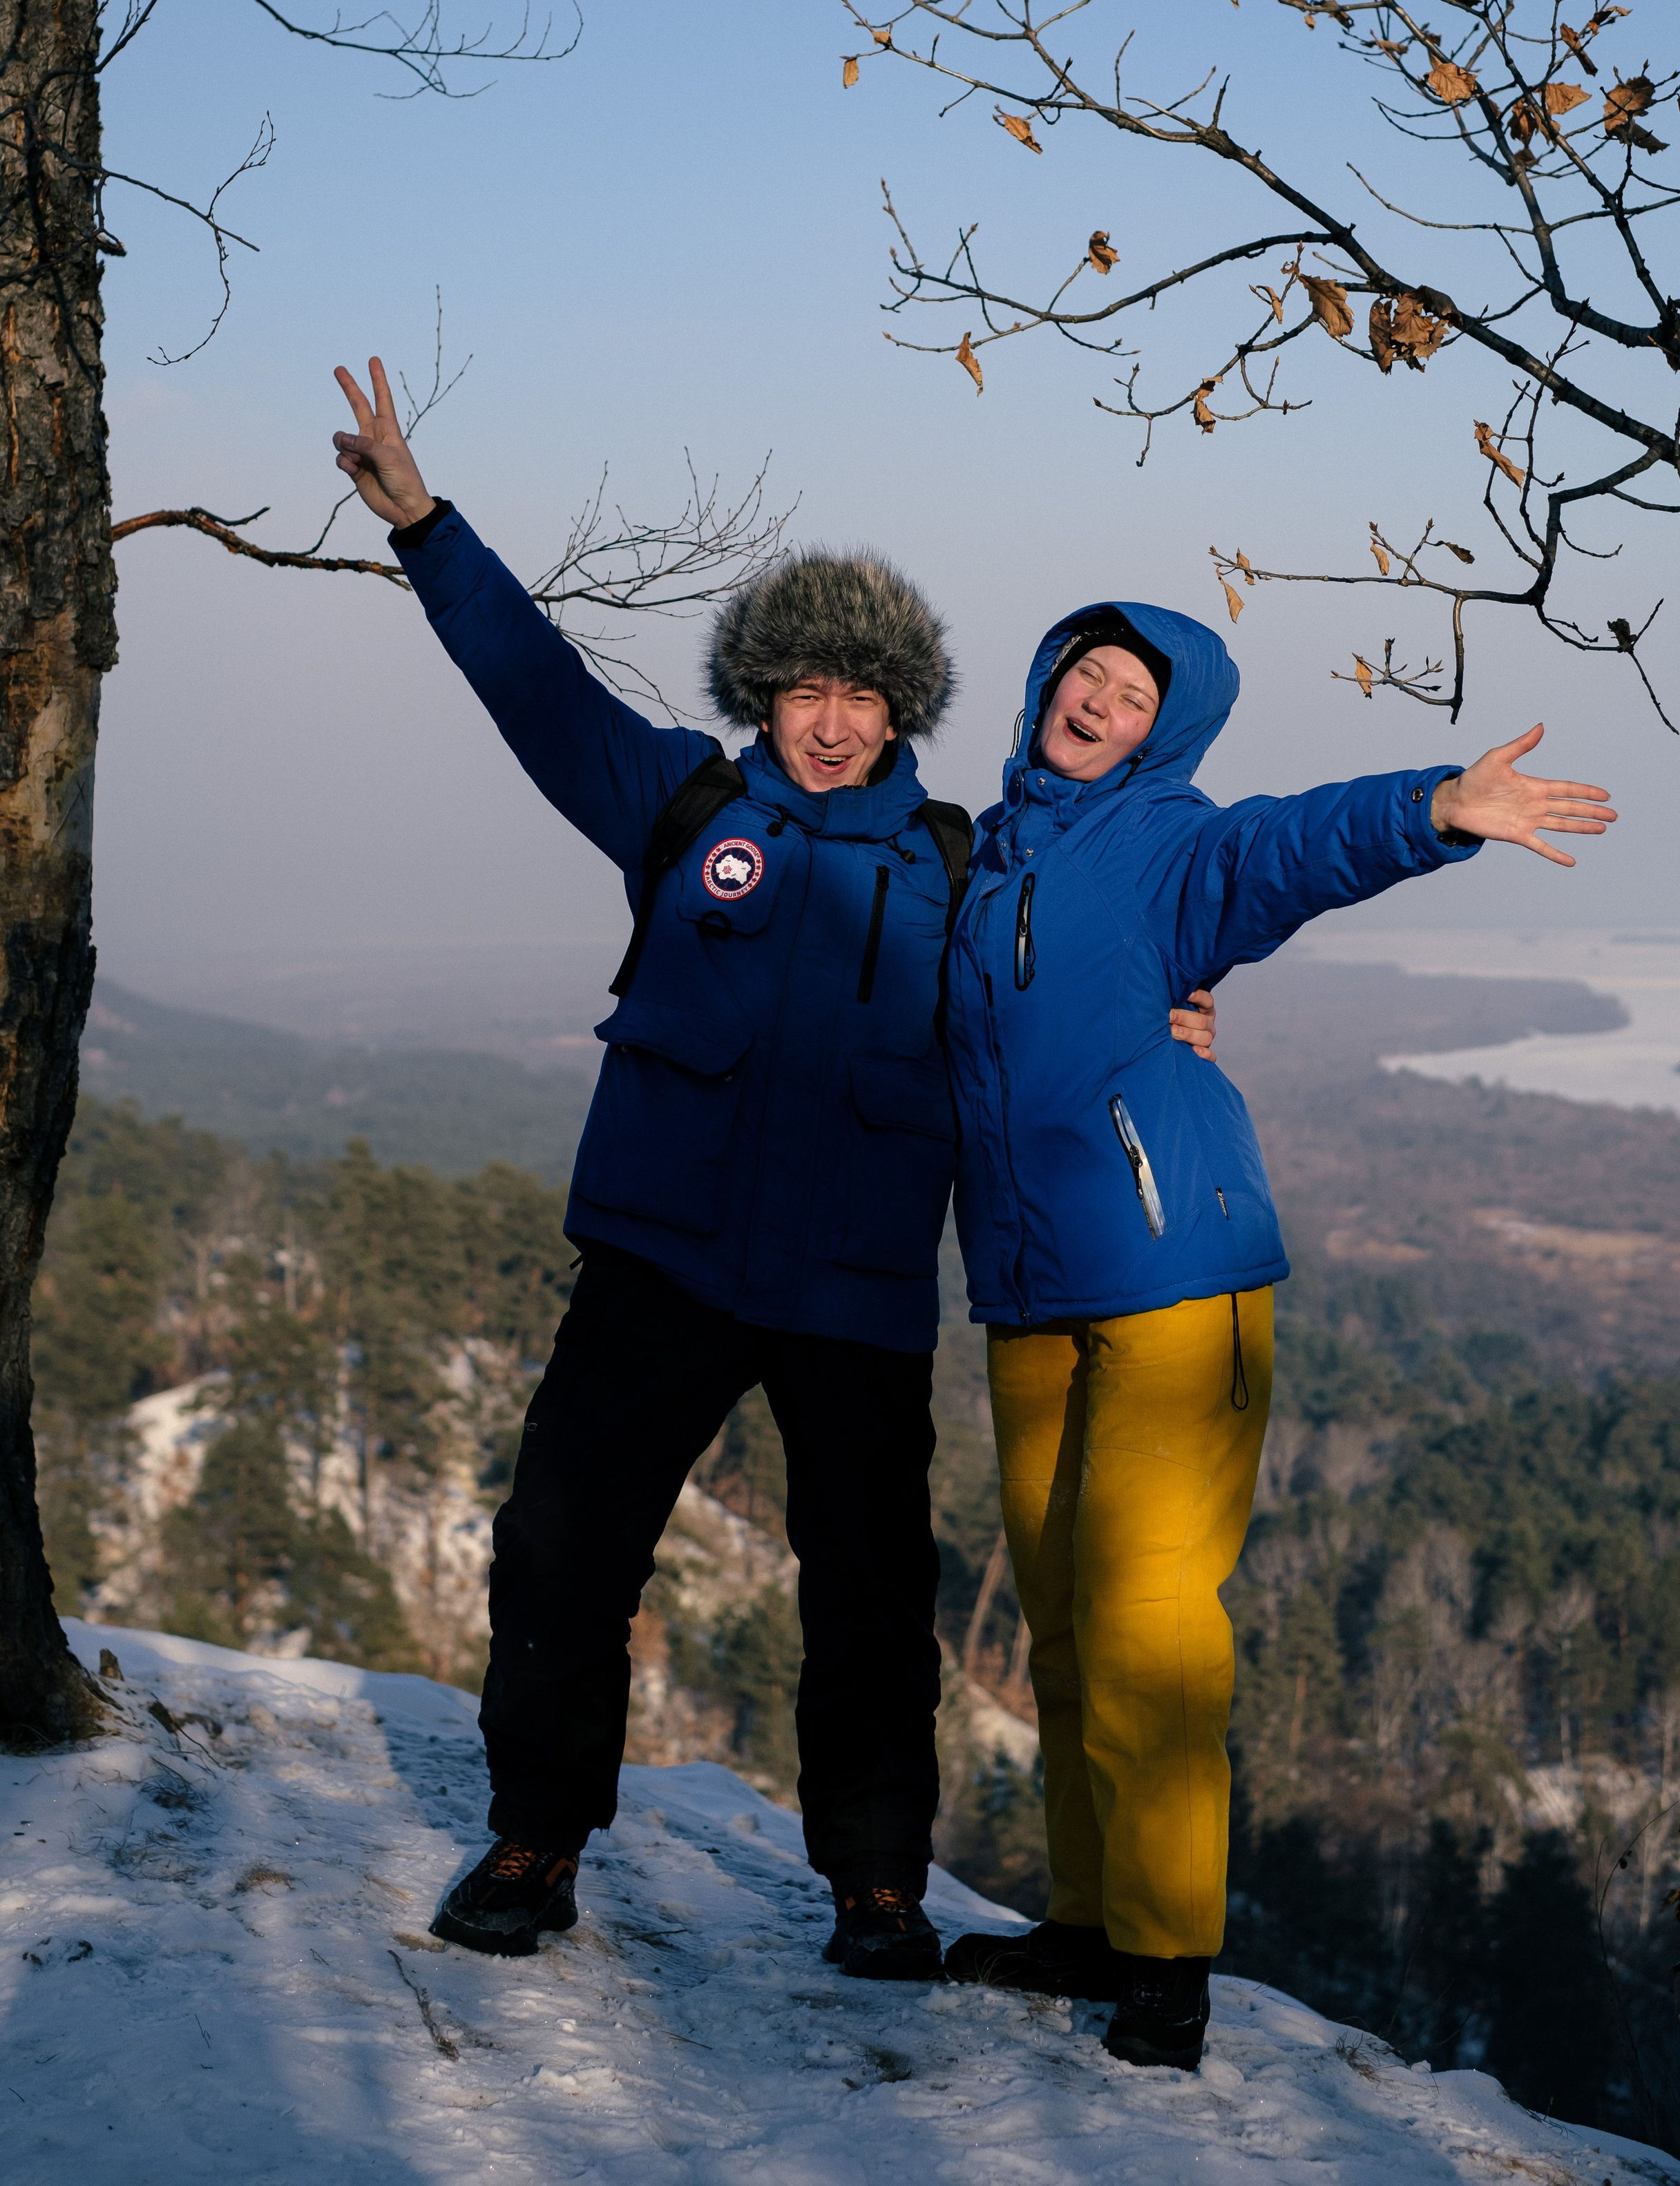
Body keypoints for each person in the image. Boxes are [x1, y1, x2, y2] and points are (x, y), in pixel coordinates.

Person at [327, 361, 1219, 1977]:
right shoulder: (676, 801)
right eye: (804, 685)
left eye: (862, 695)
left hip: (857, 1287)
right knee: (559, 1548)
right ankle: (534, 1839)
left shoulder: (959, 865)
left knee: (873, 1597)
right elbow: (535, 689)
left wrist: (1162, 1024)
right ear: (764, 693)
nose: (830, 719)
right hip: (661, 1257)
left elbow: (1063, 976)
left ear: (903, 715)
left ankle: (876, 1883)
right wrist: (426, 529)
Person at [935, 606, 1615, 2070]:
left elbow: (1282, 850)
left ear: (1161, 732)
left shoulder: (1171, 844)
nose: (1097, 700)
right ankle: (1084, 1921)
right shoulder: (990, 858)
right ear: (1045, 683)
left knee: (1147, 1632)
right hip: (1027, 1287)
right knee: (1058, 1628)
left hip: (1173, 1276)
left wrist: (1431, 807)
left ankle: (1166, 1964)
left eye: (1130, 693)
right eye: (1084, 674)